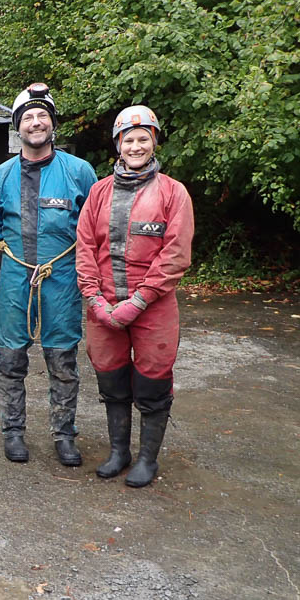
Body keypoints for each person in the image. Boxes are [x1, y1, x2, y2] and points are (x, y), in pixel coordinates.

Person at [76, 105, 193, 487]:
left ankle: (147, 459)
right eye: (129, 140)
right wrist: (95, 299)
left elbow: (175, 255)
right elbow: (85, 248)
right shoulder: (99, 193)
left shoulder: (173, 193)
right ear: (118, 145)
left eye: (144, 139)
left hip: (153, 309)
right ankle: (119, 452)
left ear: (154, 142)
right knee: (111, 379)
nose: (136, 146)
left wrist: (139, 300)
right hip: (104, 309)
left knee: (152, 382)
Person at [0, 83, 98, 466]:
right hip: (15, 280)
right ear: (18, 126)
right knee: (9, 359)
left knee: (63, 361)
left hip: (61, 281)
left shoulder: (79, 172)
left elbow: (93, 226)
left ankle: (64, 435)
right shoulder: (0, 176)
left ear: (53, 124)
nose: (36, 123)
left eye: (42, 116)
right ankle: (12, 432)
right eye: (28, 117)